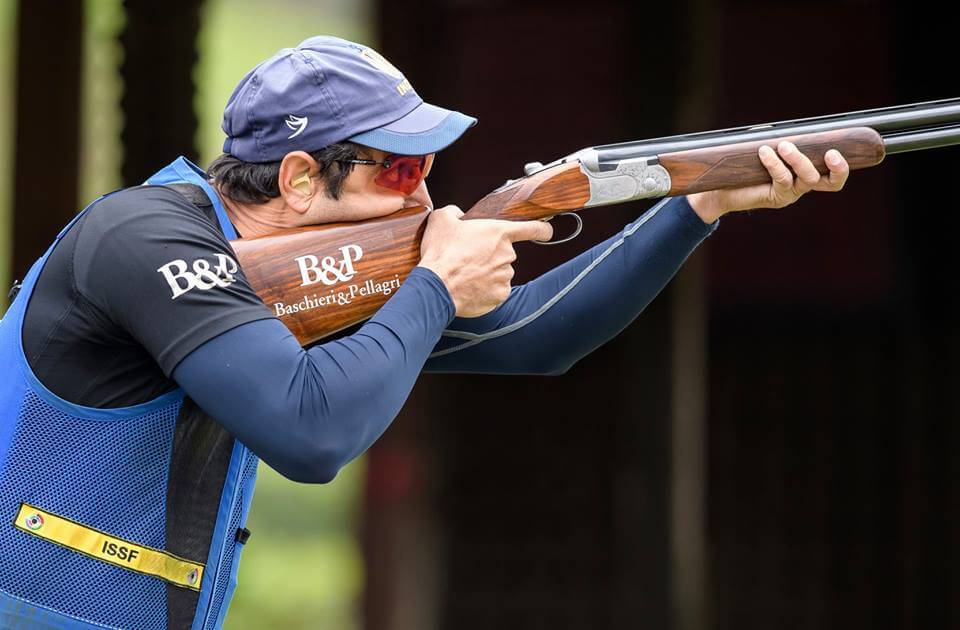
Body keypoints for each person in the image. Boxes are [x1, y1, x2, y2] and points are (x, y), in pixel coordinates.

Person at [0, 35, 849, 629]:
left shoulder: (318, 277)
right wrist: (436, 284)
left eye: (428, 168)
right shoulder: (141, 238)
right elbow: (310, 432)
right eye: (399, 168)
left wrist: (698, 204)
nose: (420, 198)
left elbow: (536, 338)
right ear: (298, 177)